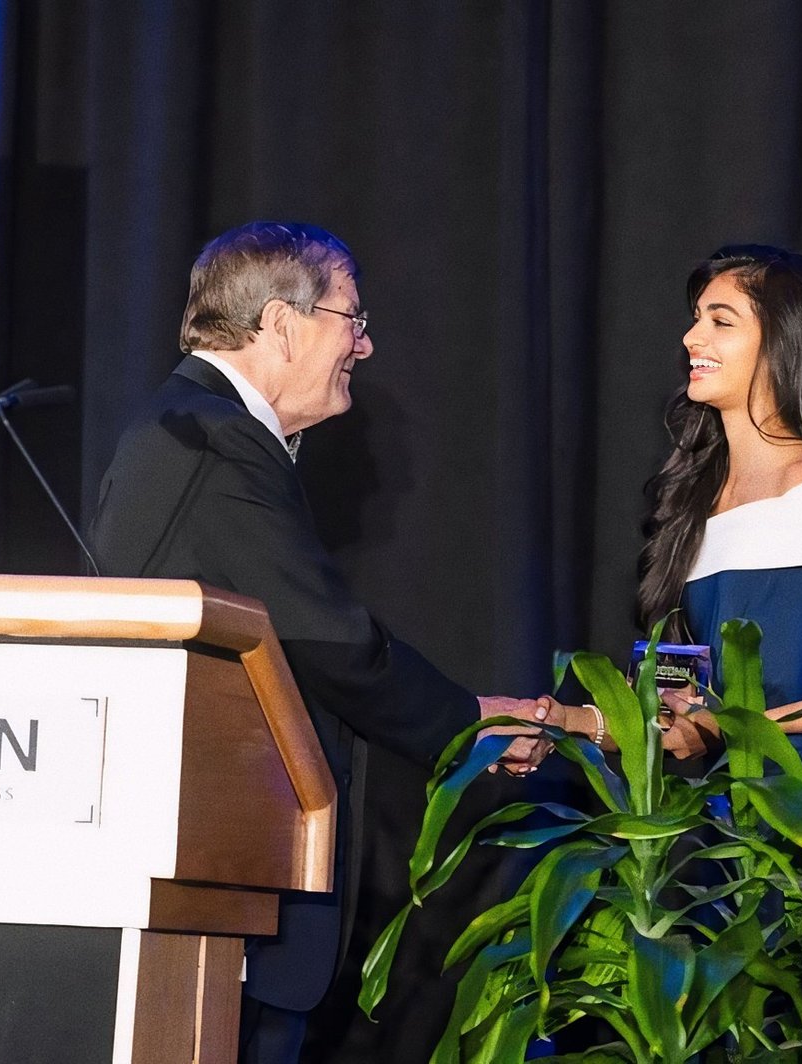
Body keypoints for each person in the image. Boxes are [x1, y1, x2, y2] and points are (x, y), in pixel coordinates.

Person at [90, 221, 548, 1063]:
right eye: (354, 319)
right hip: (216, 888)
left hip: (227, 884)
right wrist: (474, 722)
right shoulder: (207, 438)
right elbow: (325, 638)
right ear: (283, 324)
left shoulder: (203, 430)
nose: (364, 347)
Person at [556, 245, 802, 773]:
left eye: (722, 321)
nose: (693, 338)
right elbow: (688, 696)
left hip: (798, 812)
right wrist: (555, 721)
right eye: (696, 320)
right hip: (719, 810)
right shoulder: (698, 494)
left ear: (782, 343)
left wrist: (732, 726)